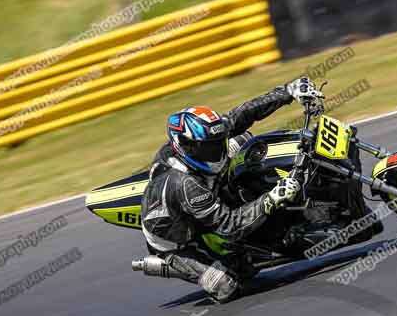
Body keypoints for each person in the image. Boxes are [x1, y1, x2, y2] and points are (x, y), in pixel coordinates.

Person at [137, 77, 324, 303]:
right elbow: (230, 226)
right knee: (227, 285)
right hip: (178, 239)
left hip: (203, 193)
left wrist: (288, 91)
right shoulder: (184, 184)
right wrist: (272, 198)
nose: (215, 152)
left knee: (245, 140)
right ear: (184, 146)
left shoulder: (204, 138)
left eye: (217, 144)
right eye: (207, 148)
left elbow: (244, 114)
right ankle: (169, 264)